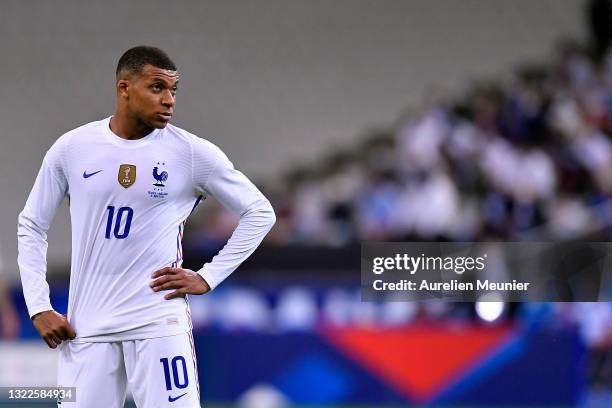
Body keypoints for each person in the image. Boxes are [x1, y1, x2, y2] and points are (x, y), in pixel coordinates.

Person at [17, 46, 276, 408]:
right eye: (157, 88)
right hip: (87, 328)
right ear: (124, 88)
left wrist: (208, 276)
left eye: (173, 90)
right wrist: (38, 306)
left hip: (158, 324)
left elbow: (260, 212)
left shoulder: (191, 153)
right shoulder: (72, 148)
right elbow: (32, 225)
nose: (169, 100)